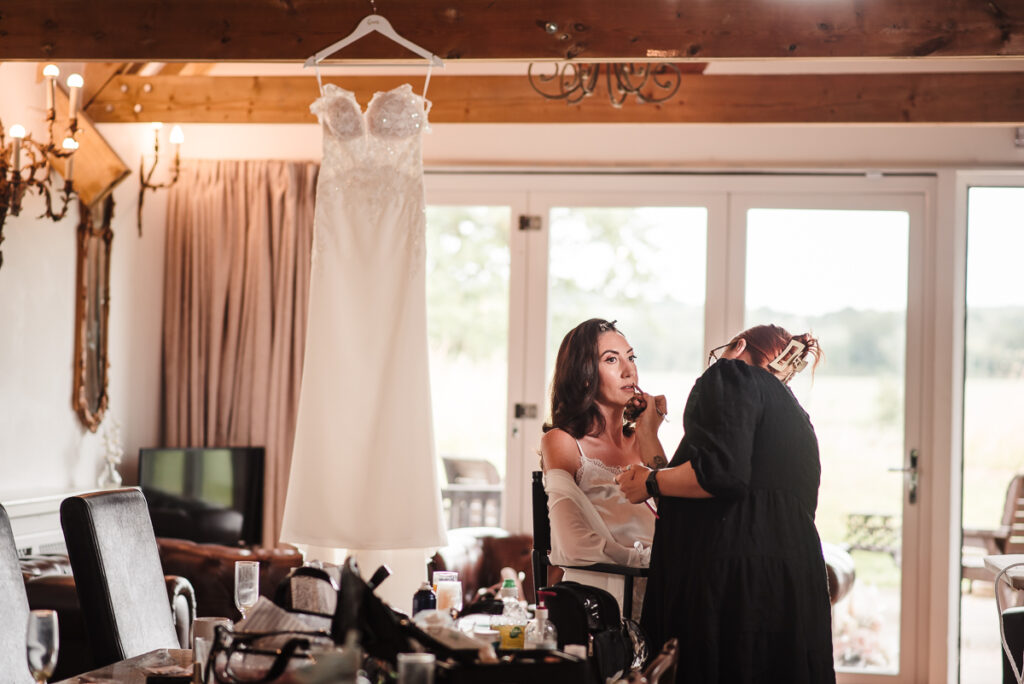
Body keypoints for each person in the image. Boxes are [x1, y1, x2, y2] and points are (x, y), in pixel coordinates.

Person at [616, 324, 835, 683]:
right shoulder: (796, 417)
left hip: (736, 579)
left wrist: (650, 481)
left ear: (739, 346)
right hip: (797, 580)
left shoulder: (731, 373)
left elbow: (720, 475)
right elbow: (698, 485)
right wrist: (648, 436)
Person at [540, 318, 666, 619]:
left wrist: (650, 434)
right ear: (584, 375)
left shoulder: (642, 441)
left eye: (631, 357)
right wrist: (652, 562)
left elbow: (678, 518)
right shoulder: (562, 442)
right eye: (611, 359)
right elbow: (572, 546)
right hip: (599, 607)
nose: (629, 370)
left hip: (659, 598)